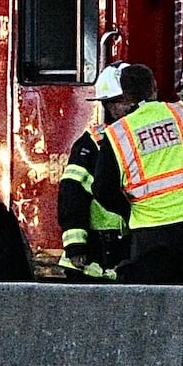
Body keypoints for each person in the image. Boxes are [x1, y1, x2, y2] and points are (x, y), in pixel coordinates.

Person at [89, 62, 183, 284]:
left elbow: (102, 189)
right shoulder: (182, 115)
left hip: (149, 233)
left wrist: (131, 211)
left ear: (125, 93)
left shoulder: (117, 134)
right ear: (154, 87)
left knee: (154, 304)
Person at [58, 63, 130, 281]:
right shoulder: (92, 144)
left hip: (125, 250)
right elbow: (72, 194)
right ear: (109, 105)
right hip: (93, 258)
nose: (130, 107)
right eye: (123, 101)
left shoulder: (136, 138)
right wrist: (76, 245)